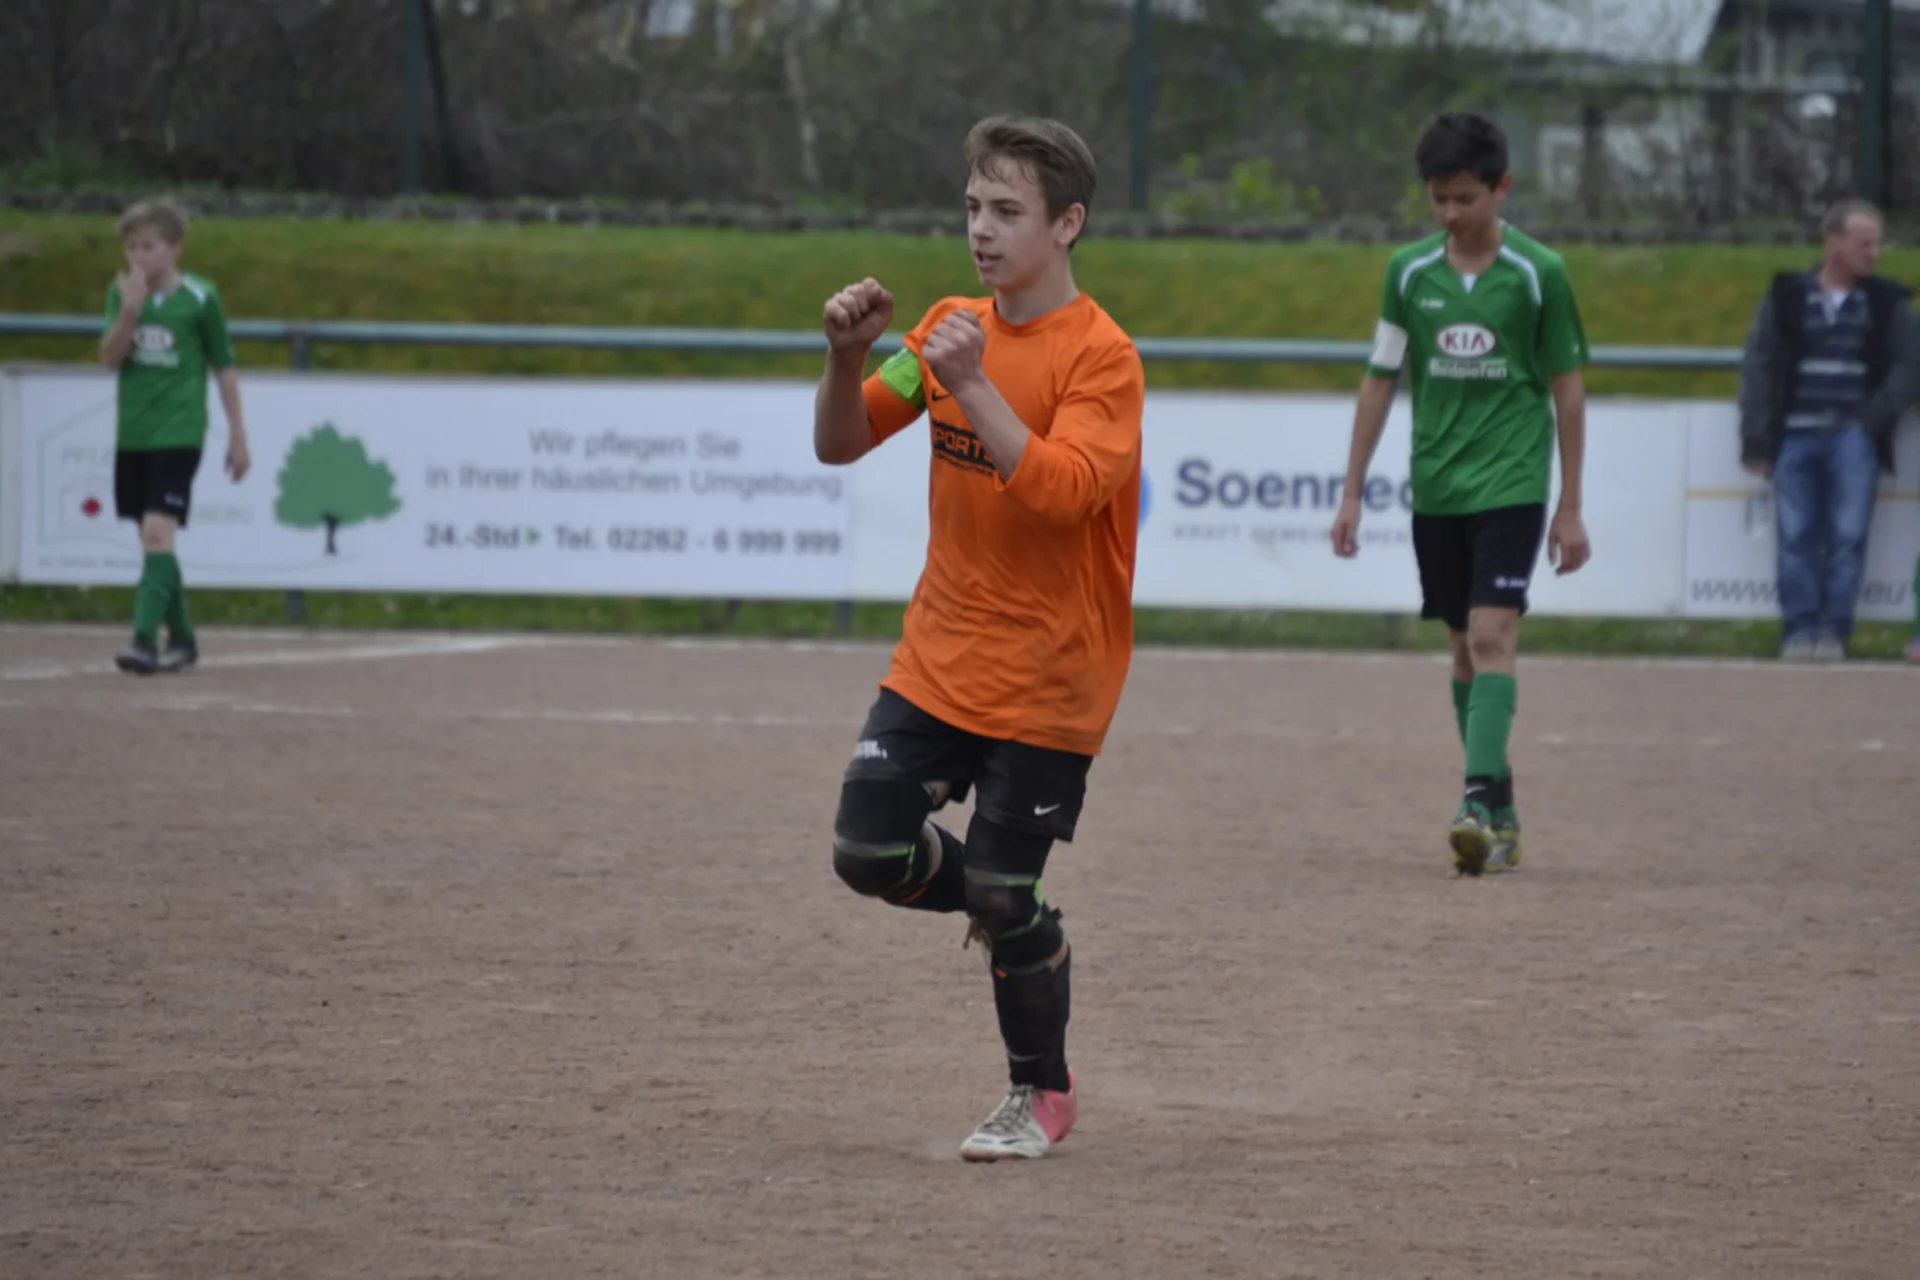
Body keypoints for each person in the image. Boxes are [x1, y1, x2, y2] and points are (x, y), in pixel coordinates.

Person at [811, 115, 1145, 1160]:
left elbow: (1061, 493)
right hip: (941, 655)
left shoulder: (1104, 358)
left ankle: (1039, 1092)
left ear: (1067, 223)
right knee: (867, 849)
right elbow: (841, 442)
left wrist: (973, 384)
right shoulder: (950, 328)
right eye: (971, 208)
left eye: (1007, 211)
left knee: (1002, 889)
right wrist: (846, 359)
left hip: (1055, 675)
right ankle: (1018, 914)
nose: (981, 231)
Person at [1329, 112, 1591, 877]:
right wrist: (1351, 492)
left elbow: (1569, 391)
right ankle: (1502, 813)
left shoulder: (1541, 273)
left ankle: (1473, 803)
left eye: (1465, 199)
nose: (1450, 213)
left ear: (1501, 188)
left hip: (1511, 481)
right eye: (1439, 198)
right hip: (1437, 487)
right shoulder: (1409, 273)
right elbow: (1380, 381)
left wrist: (1570, 505)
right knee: (1461, 650)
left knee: (1490, 635)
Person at [1737, 198, 1920, 663]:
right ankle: (1798, 631)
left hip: (1853, 439)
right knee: (1795, 535)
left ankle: (1834, 632)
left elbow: (1910, 364)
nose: (1874, 253)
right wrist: (1756, 437)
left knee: (1848, 536)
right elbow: (1758, 365)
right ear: (1834, 243)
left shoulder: (1886, 302)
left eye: (1875, 244)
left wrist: (1873, 419)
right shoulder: (1786, 297)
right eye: (1864, 243)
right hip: (1794, 434)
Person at [100, 198, 250, 675]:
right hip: (134, 434)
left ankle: (143, 640)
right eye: (132, 248)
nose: (139, 256)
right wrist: (129, 311)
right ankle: (183, 637)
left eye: (149, 246)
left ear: (176, 248)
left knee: (157, 530)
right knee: (154, 541)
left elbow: (224, 367)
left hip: (180, 433)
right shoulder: (121, 293)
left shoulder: (201, 298)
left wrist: (238, 436)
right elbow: (110, 358)